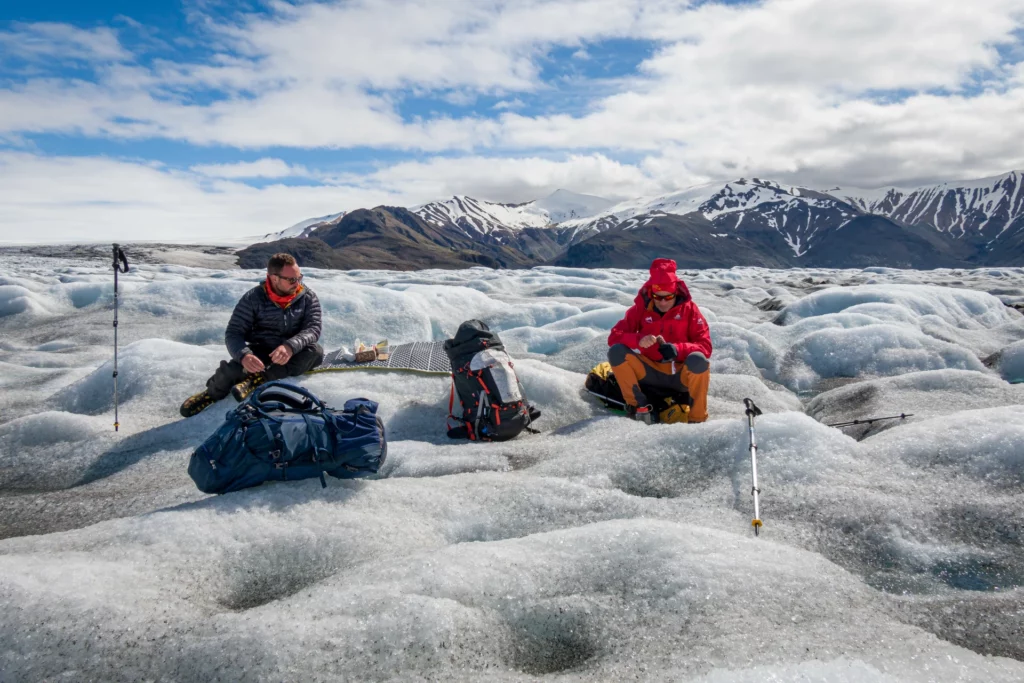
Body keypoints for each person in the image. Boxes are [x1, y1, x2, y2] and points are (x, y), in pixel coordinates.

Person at [179, 253, 324, 417]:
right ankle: (211, 394)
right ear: (274, 278)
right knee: (232, 370)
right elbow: (234, 332)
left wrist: (290, 346)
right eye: (291, 279)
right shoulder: (253, 298)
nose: (297, 283)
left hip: (293, 350)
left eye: (299, 277)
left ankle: (259, 379)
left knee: (315, 353)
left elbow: (313, 328)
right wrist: (244, 356)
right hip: (262, 349)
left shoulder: (307, 297)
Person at [607, 258, 712, 422]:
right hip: (650, 372)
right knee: (617, 352)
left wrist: (678, 350)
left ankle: (697, 419)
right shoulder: (640, 310)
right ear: (651, 292)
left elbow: (705, 346)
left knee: (698, 360)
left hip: (680, 376)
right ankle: (638, 408)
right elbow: (614, 336)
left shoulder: (690, 311)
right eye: (657, 296)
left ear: (675, 293)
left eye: (668, 297)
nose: (663, 302)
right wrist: (638, 339)